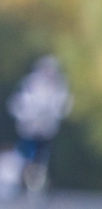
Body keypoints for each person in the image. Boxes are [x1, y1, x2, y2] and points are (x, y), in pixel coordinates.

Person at [8, 55, 71, 197]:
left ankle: (37, 184)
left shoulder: (58, 85)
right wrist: (24, 116)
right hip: (29, 127)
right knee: (26, 155)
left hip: (46, 128)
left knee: (41, 157)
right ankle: (22, 181)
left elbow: (62, 106)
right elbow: (18, 103)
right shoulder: (30, 83)